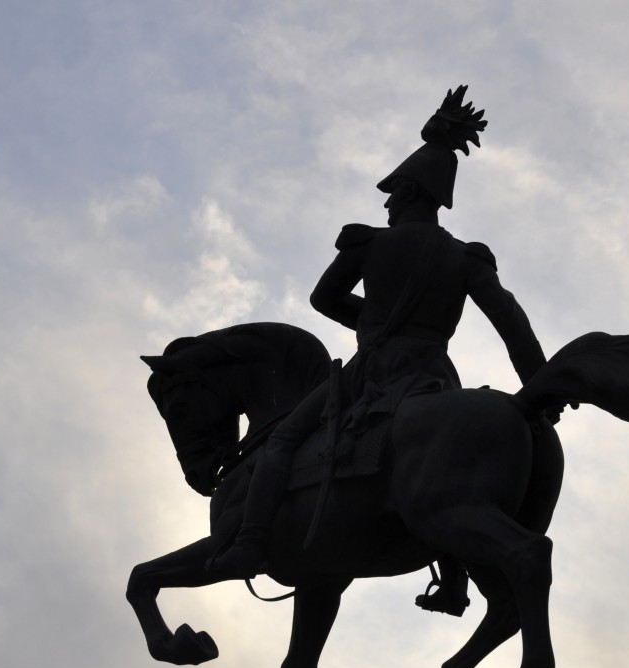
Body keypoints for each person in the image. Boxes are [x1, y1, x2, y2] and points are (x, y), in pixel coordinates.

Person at [207, 88, 546, 611]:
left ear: (409, 192)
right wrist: (538, 385)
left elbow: (324, 299)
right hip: (433, 373)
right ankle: (454, 582)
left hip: (373, 372)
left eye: (393, 193)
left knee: (280, 443)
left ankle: (248, 544)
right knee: (452, 463)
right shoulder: (465, 257)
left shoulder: (370, 244)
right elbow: (512, 324)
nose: (386, 203)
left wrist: (370, 322)